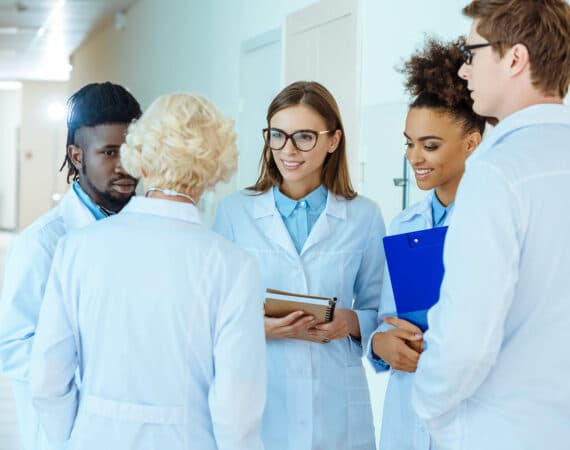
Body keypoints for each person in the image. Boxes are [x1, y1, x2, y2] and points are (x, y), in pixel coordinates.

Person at [29, 93, 267, 450]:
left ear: (138, 155)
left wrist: (75, 436)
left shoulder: (78, 249)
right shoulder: (233, 266)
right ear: (218, 170)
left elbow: (48, 380)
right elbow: (237, 409)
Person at [411, 1, 570, 449]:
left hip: (499, 432)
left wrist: (428, 407)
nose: (464, 73)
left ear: (515, 58)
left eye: (472, 54)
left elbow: (465, 343)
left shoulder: (496, 173)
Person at [214, 81, 385, 449]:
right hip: (261, 401)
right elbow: (214, 313)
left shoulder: (364, 216)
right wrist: (261, 327)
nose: (288, 150)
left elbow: (379, 308)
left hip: (336, 405)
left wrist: (349, 322)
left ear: (333, 141)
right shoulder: (235, 212)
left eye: (304, 137)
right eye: (278, 135)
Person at [0, 82, 142, 450]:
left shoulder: (149, 228)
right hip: (70, 428)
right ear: (77, 156)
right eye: (109, 152)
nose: (126, 166)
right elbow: (12, 346)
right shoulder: (42, 243)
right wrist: (93, 373)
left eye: (135, 151)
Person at [366, 37, 486, 450]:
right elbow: (387, 320)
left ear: (471, 143)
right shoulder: (403, 225)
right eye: (409, 142)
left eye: (430, 145)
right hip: (407, 416)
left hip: (468, 418)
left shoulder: (493, 219)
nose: (414, 157)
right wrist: (380, 346)